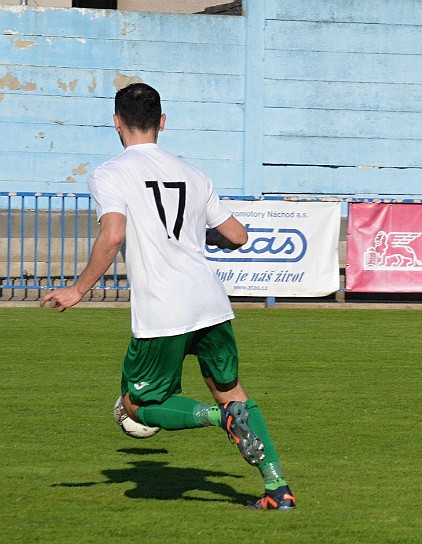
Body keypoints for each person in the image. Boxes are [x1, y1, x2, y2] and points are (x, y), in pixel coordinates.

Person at [39, 83, 296, 511]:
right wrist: (200, 235)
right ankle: (277, 489)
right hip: (211, 304)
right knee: (232, 392)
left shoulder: (110, 173)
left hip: (164, 309)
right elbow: (238, 235)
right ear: (162, 122)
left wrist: (79, 288)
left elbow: (114, 232)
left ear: (116, 122)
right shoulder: (194, 174)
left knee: (135, 406)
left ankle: (220, 420)